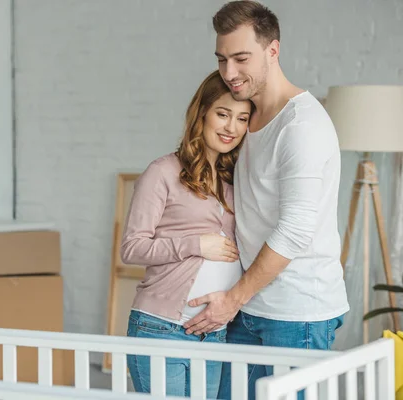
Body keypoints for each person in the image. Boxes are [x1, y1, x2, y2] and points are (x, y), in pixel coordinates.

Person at [181, 2, 350, 399]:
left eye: (241, 58)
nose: (229, 73)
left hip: (297, 314)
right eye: (222, 59)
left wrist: (231, 299)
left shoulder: (302, 126)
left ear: (273, 51)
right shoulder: (248, 118)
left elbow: (294, 232)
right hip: (251, 304)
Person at [120, 69, 252, 399]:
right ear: (202, 113)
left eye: (241, 118)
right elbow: (132, 248)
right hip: (161, 328)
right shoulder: (162, 172)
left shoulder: (234, 181)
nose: (231, 128)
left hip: (214, 332)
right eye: (223, 114)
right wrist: (195, 245)